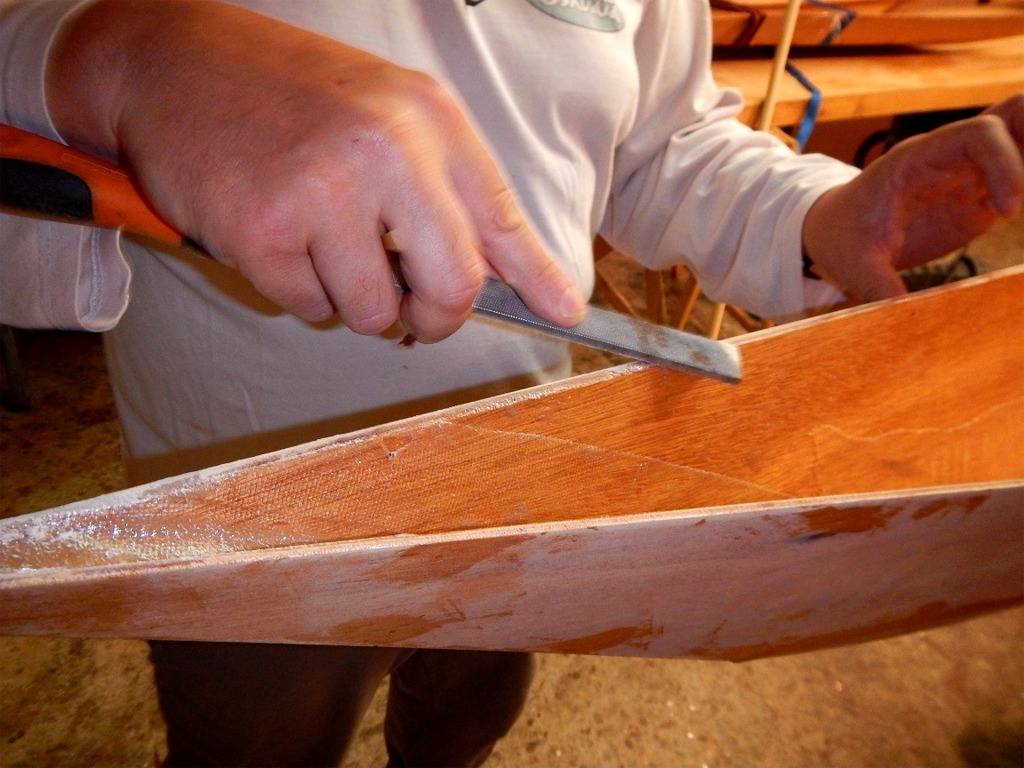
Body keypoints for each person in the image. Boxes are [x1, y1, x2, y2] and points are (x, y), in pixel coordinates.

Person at [2, 1, 1021, 765]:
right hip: (246, 508)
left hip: (526, 479)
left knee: (465, 715)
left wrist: (816, 215)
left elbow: (661, 145)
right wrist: (120, 57)